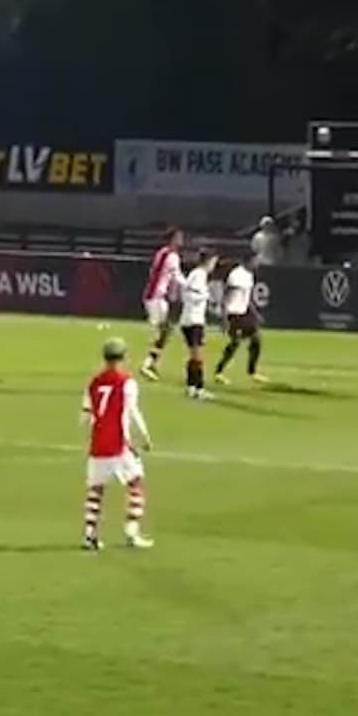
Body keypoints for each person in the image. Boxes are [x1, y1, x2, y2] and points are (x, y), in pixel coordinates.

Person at [80, 337, 154, 551]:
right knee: (136, 484)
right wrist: (145, 436)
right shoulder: (127, 382)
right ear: (123, 357)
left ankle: (89, 535)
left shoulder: (94, 382)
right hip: (119, 444)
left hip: (98, 444)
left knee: (95, 490)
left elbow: (85, 416)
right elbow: (133, 411)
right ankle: (132, 531)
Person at [140, 227, 185, 381]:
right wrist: (190, 287)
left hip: (157, 296)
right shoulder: (171, 256)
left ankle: (151, 363)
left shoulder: (163, 253)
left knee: (166, 331)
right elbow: (176, 276)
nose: (181, 240)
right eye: (179, 237)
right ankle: (147, 364)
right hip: (155, 297)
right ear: (173, 239)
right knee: (162, 332)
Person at [214, 255, 267, 385]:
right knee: (235, 343)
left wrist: (255, 313)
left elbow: (246, 298)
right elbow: (226, 296)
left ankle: (252, 372)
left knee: (256, 340)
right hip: (233, 313)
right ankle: (219, 371)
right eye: (255, 262)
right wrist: (224, 318)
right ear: (248, 261)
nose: (257, 265)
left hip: (244, 313)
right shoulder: (236, 275)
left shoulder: (249, 276)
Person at [180, 249, 218, 400]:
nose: (214, 265)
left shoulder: (195, 275)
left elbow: (186, 292)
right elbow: (190, 294)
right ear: (208, 261)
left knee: (194, 355)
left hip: (190, 319)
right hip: (193, 320)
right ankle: (199, 389)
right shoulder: (199, 275)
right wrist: (205, 296)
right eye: (213, 262)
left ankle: (191, 387)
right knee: (198, 356)